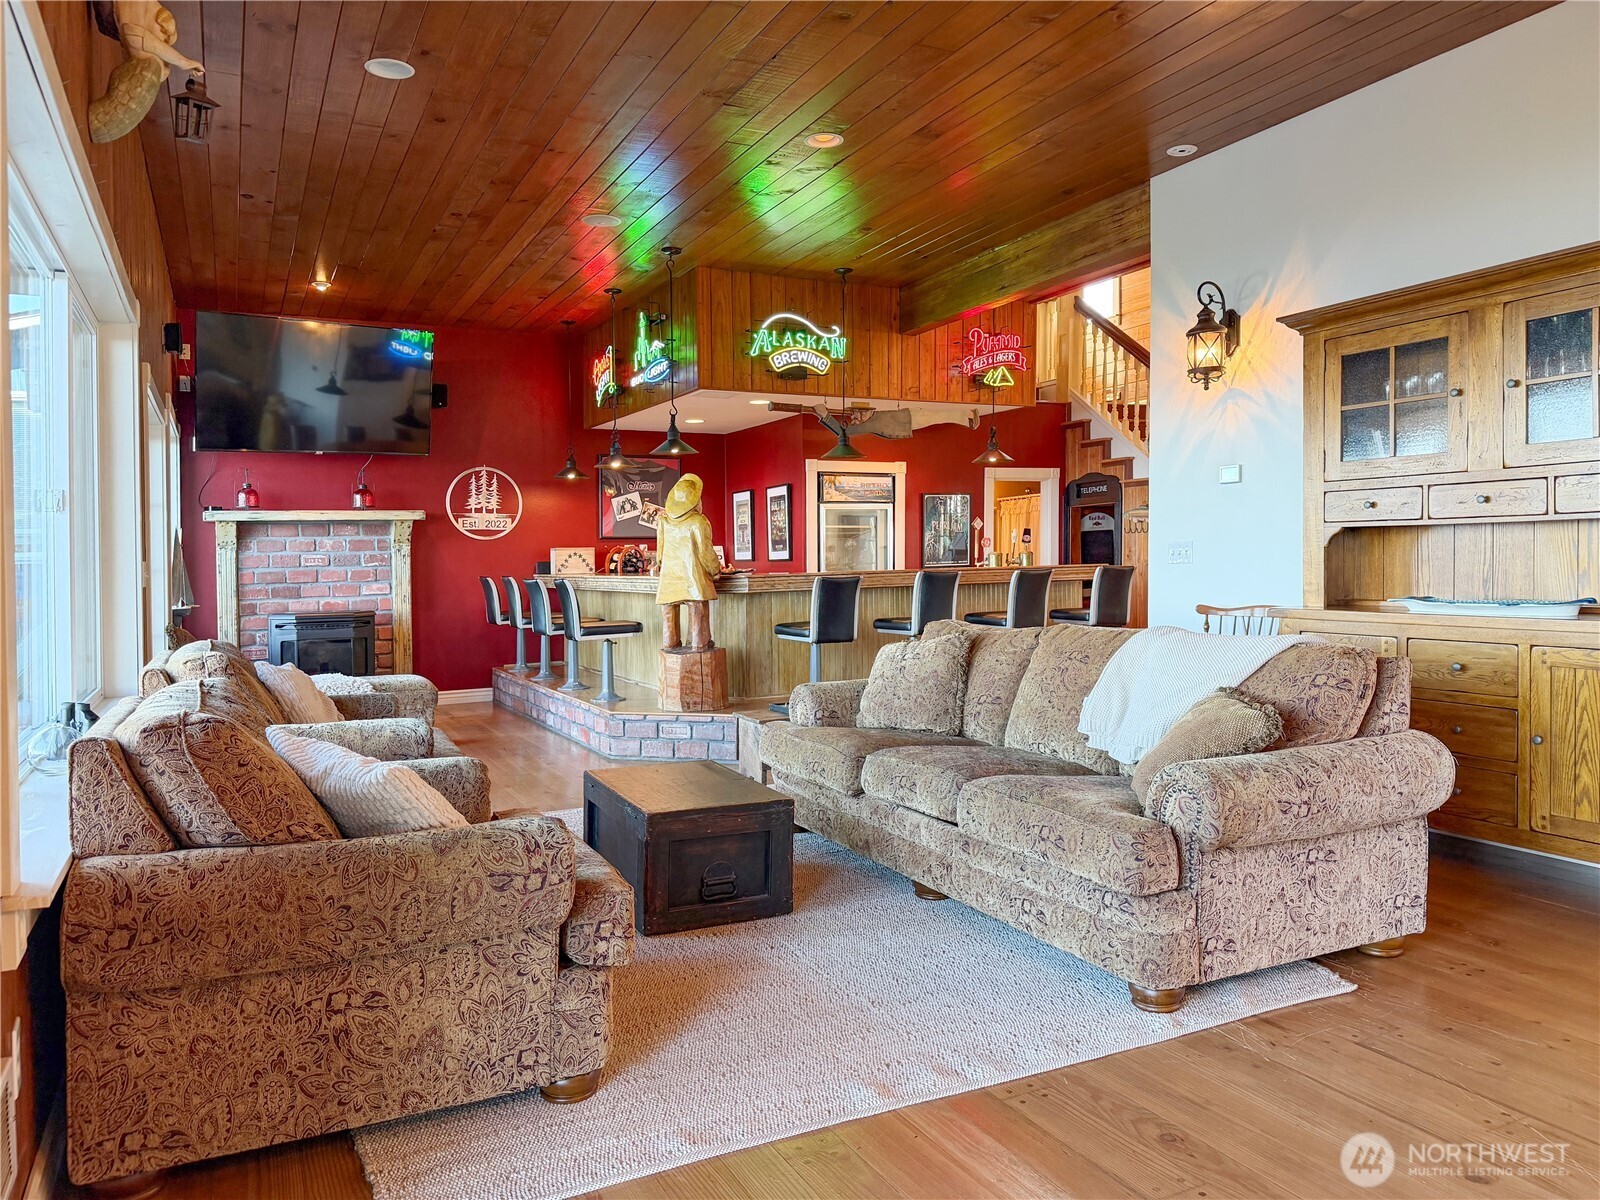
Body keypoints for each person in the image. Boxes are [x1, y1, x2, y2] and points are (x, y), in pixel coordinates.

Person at [655, 473, 721, 652]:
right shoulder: (699, 522)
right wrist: (715, 570)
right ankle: (699, 643)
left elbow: (660, 556)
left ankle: (670, 644)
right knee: (698, 609)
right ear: (696, 502)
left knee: (668, 612)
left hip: (668, 580)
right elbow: (706, 553)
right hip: (694, 579)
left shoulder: (663, 522)